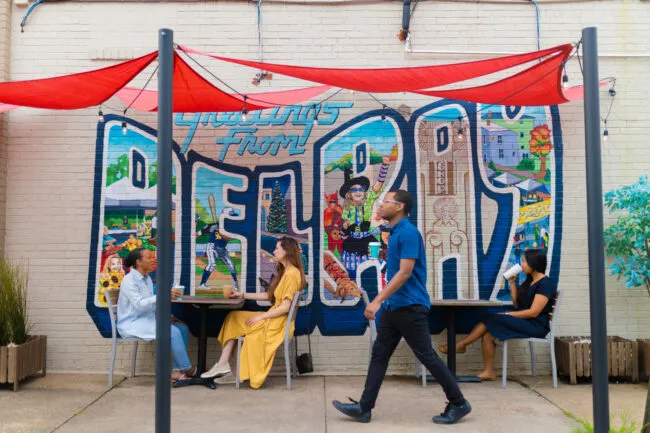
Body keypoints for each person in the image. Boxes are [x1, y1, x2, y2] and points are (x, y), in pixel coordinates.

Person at [332, 190, 471, 425]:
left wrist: (376, 300)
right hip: (394, 306)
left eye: (386, 201)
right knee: (379, 355)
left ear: (399, 207)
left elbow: (405, 272)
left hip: (410, 306)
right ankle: (364, 408)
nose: (381, 204)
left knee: (426, 355)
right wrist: (385, 302)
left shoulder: (408, 233)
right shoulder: (394, 233)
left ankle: (458, 402)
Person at [201, 236, 306, 388]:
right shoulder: (286, 272)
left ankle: (232, 371)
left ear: (287, 251)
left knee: (240, 323)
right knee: (233, 317)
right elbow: (269, 296)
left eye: (277, 248)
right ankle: (224, 365)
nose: (274, 251)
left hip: (277, 323)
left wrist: (261, 317)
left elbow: (285, 307)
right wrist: (242, 295)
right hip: (274, 316)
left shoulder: (291, 274)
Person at [438, 249, 557, 381]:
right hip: (527, 322)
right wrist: (512, 283)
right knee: (489, 333)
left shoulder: (546, 284)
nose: (521, 265)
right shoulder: (530, 282)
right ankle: (488, 371)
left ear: (533, 263)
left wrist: (508, 314)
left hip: (536, 325)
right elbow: (517, 305)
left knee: (491, 318)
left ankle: (461, 345)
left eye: (524, 261)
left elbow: (533, 312)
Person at [116, 248, 196, 382]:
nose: (153, 260)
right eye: (149, 257)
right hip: (132, 323)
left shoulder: (146, 279)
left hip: (146, 319)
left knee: (182, 328)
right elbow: (140, 305)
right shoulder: (129, 281)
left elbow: (151, 304)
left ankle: (176, 371)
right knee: (172, 332)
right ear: (139, 262)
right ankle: (188, 368)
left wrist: (166, 316)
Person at [339, 156, 390, 279]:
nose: (358, 192)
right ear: (349, 193)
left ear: (364, 191)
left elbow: (379, 184)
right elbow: (344, 235)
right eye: (354, 189)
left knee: (372, 267)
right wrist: (345, 228)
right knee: (352, 269)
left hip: (366, 239)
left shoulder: (368, 200)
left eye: (361, 189)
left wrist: (385, 165)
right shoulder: (347, 208)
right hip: (352, 243)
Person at [196, 211, 239, 290]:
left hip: (222, 249)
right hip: (212, 246)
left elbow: (228, 238)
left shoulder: (233, 229)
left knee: (231, 266)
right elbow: (203, 230)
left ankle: (236, 283)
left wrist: (222, 232)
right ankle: (202, 284)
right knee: (212, 264)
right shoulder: (217, 225)